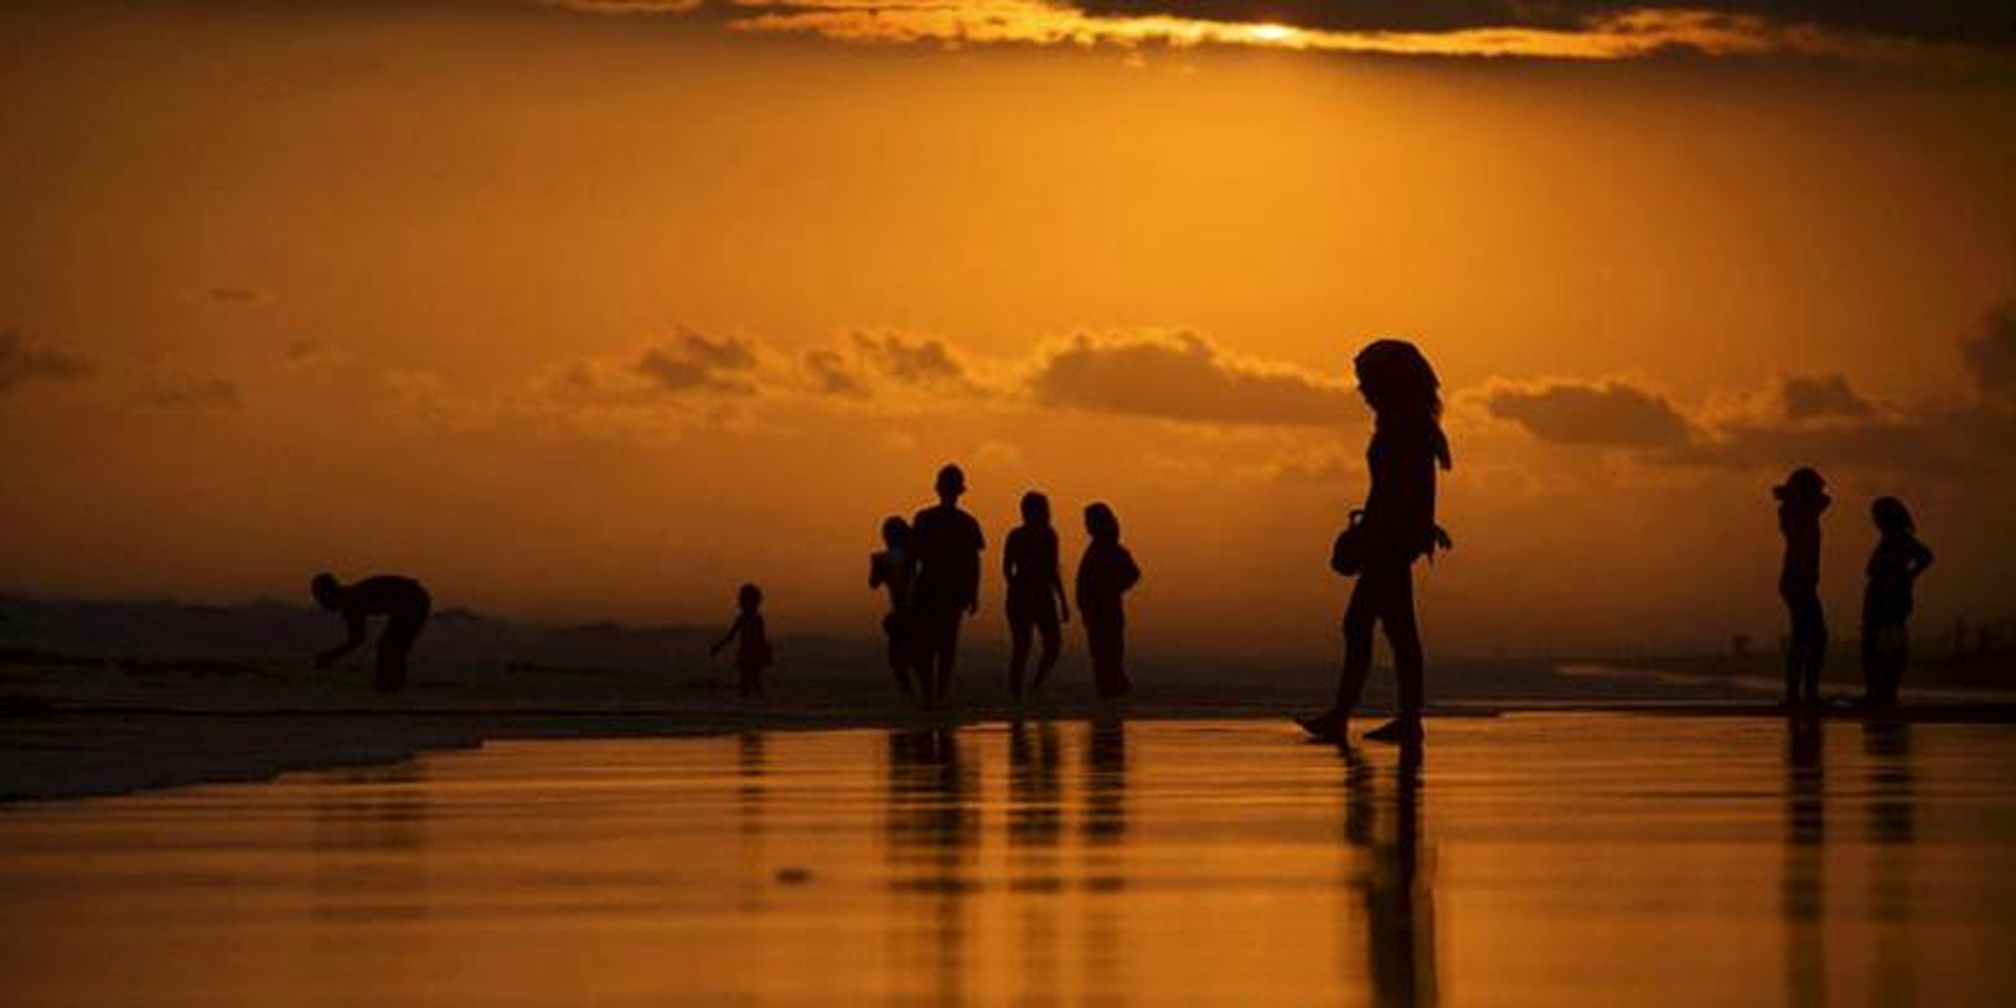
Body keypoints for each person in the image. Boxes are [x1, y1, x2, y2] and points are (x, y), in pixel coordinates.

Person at [1298, 339, 1452, 744]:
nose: (1362, 391)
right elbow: (1393, 489)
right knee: (1381, 626)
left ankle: (1377, 718)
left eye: (1367, 382)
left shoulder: (1405, 425)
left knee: (1382, 627)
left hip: (1390, 541)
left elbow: (1403, 490)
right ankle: (1384, 717)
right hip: (1391, 537)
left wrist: (1383, 532)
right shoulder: (1404, 423)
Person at [911, 464, 985, 703]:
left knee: (932, 646)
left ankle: (931, 696)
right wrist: (973, 592)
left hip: (935, 588)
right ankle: (937, 696)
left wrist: (973, 592)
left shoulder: (924, 519)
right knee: (943, 646)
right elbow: (973, 562)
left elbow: (913, 557)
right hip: (946, 589)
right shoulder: (966, 523)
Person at [1861, 496, 1933, 710]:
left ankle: (1884, 692)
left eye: (1877, 515)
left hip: (1889, 598)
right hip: (1882, 596)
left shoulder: (1899, 537)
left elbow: (1926, 556)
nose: (1874, 520)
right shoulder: (1890, 537)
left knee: (1885, 645)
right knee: (1877, 644)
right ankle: (1879, 692)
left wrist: (1908, 576)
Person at [311, 572, 431, 693]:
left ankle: (389, 686)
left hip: (413, 599)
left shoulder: (352, 600)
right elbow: (357, 639)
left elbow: (357, 639)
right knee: (391, 646)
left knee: (388, 646)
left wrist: (331, 656)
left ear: (330, 593)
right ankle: (392, 684)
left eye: (322, 599)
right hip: (413, 599)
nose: (322, 605)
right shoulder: (350, 604)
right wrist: (331, 656)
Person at [1004, 491, 1070, 700]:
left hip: (1040, 596)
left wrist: (1062, 600)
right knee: (1023, 646)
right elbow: (1007, 568)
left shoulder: (1048, 535)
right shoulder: (1018, 535)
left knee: (1050, 645)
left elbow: (1052, 569)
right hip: (1027, 596)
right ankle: (1019, 692)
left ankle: (1033, 688)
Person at [1776, 467, 1830, 708]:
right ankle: (1801, 694)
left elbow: (1825, 500)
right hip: (1798, 580)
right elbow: (1825, 501)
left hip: (1801, 580)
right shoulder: (1794, 511)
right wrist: (1794, 494)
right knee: (1812, 637)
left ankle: (1804, 693)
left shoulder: (1801, 510)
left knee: (1810, 638)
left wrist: (1792, 493)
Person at [1076, 502, 1140, 700]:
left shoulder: (1107, 549)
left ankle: (1113, 697)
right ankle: (1112, 699)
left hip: (1106, 612)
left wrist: (1111, 589)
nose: (1086, 526)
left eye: (1089, 522)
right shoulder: (1100, 549)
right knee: (1106, 657)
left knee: (1107, 658)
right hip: (1100, 612)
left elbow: (1132, 574)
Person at [870, 516, 919, 697]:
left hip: (906, 611)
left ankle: (913, 695)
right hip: (907, 611)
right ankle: (919, 696)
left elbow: (874, 583)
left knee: (899, 660)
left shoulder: (898, 558)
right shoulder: (910, 557)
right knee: (907, 659)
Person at [711, 583, 772, 698]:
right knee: (751, 680)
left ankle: (753, 701)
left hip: (750, 654)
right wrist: (719, 646)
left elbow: (732, 636)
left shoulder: (750, 619)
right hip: (750, 654)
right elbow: (733, 636)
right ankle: (754, 701)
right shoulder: (753, 618)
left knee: (749, 680)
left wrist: (718, 647)